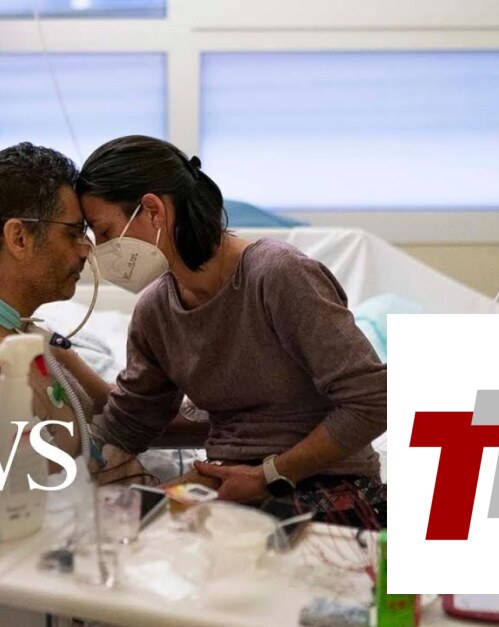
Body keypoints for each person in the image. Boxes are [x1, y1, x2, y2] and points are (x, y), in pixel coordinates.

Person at [76, 135, 388, 528]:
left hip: (325, 485)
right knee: (111, 535)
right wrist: (57, 456)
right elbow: (130, 421)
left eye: (104, 231)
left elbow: (376, 400)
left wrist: (269, 474)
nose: (97, 249)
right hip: (229, 486)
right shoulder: (155, 310)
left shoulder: (276, 275)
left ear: (153, 211)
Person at [0, 142, 117, 471]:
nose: (85, 250)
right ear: (19, 238)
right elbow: (34, 494)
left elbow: (118, 408)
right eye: (74, 233)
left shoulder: (20, 328)